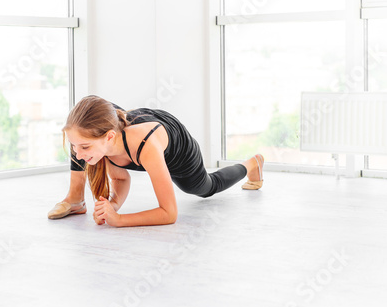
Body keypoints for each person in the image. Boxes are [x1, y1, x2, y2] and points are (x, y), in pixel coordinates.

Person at [47, 95, 264, 227]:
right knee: (84, 117)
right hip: (135, 130)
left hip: (179, 149)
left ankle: (252, 164)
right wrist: (111, 207)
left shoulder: (146, 145)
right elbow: (121, 180)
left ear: (110, 137)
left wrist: (120, 220)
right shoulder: (106, 142)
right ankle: (75, 200)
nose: (77, 154)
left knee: (205, 188)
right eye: (73, 146)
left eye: (83, 147)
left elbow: (169, 213)